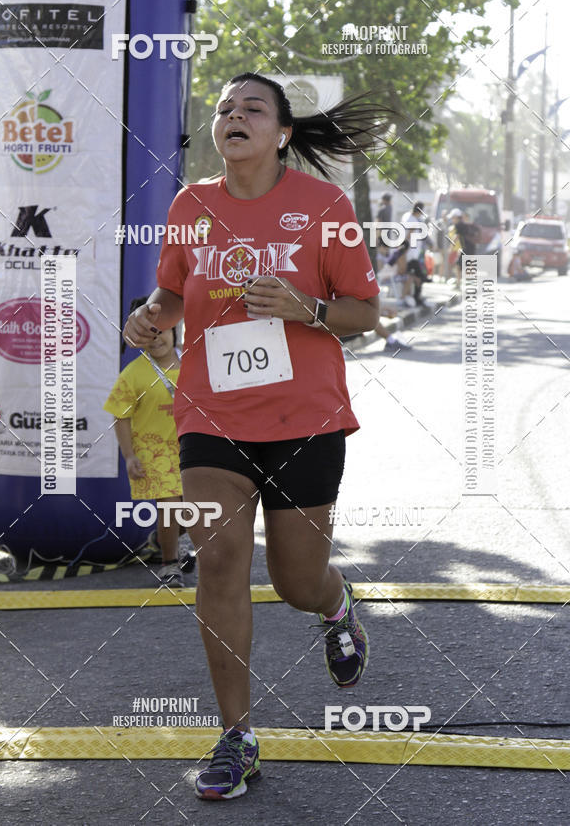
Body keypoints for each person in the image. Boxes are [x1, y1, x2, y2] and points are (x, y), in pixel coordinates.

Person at [122, 72, 388, 801]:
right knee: (220, 560)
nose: (233, 116)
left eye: (252, 109)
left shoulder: (323, 207)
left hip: (304, 417)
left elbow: (367, 313)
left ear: (283, 134)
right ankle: (236, 736)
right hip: (212, 412)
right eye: (224, 109)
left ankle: (336, 606)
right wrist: (152, 317)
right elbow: (174, 293)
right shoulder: (191, 206)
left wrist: (308, 308)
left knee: (296, 581)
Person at [105, 298, 192, 586]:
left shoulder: (193, 364)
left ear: (174, 331)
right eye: (148, 334)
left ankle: (159, 538)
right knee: (170, 506)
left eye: (162, 331)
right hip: (154, 452)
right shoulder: (133, 374)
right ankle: (170, 565)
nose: (156, 339)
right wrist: (129, 456)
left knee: (191, 513)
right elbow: (121, 416)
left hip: (192, 449)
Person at [401, 201, 431, 306]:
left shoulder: (406, 216)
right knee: (418, 276)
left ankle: (412, 296)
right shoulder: (413, 221)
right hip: (411, 254)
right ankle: (415, 297)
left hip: (410, 253)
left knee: (412, 276)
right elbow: (408, 236)